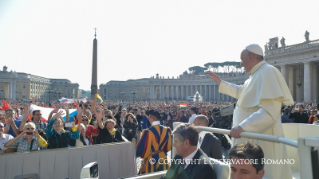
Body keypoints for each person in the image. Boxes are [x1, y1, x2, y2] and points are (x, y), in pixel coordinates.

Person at [208, 44, 293, 178]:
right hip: (250, 138)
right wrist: (221, 82)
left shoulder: (268, 71)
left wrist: (243, 126)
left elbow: (270, 112)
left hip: (262, 140)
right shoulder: (253, 77)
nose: (241, 64)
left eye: (242, 60)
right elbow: (239, 91)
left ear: (251, 57)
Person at [136, 109, 172, 174]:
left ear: (152, 119)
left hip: (151, 160)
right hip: (163, 158)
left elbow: (142, 150)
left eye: (149, 118)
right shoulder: (167, 130)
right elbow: (169, 147)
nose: (148, 119)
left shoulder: (148, 132)